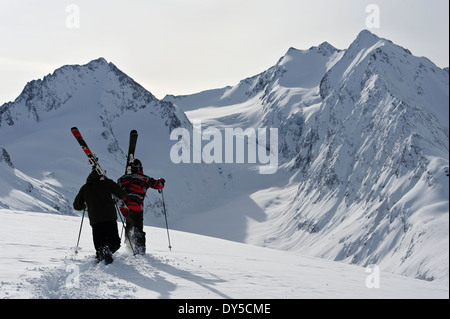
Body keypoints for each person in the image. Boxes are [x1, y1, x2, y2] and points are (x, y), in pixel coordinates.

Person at [73, 168, 127, 264]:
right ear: (101, 175)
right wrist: (108, 182)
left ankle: (101, 255)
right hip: (109, 218)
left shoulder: (85, 188)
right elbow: (122, 194)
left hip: (95, 221)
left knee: (99, 244)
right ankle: (108, 250)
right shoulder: (106, 184)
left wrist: (84, 205)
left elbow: (76, 205)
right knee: (115, 242)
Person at [117, 158, 165, 255]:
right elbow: (158, 185)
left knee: (129, 225)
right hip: (137, 208)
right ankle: (139, 251)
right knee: (138, 228)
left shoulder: (122, 179)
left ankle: (129, 246)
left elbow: (117, 190)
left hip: (125, 207)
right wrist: (161, 181)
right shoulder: (144, 178)